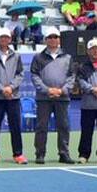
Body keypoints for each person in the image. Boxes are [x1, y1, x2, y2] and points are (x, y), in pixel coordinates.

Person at [30, 27, 75, 165]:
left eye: (55, 37)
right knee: (41, 126)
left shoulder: (68, 58)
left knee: (63, 126)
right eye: (50, 37)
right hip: (44, 98)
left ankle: (64, 154)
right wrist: (47, 90)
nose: (53, 39)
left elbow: (72, 77)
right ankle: (40, 154)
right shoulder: (38, 57)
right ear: (46, 40)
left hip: (62, 97)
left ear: (59, 39)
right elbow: (34, 76)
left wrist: (62, 91)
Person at [0, 28, 27, 165]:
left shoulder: (16, 56)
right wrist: (2, 89)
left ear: (10, 39)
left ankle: (18, 154)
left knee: (15, 126)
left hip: (13, 97)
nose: (3, 39)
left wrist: (11, 87)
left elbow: (20, 74)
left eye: (6, 37)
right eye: (1, 37)